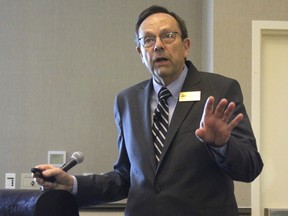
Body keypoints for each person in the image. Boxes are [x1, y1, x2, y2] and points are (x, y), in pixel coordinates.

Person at [34, 5, 263, 216]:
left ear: (186, 47)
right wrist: (71, 183)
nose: (158, 45)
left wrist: (221, 145)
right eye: (148, 40)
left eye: (168, 36)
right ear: (140, 53)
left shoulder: (220, 90)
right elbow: (125, 177)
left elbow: (250, 167)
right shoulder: (127, 101)